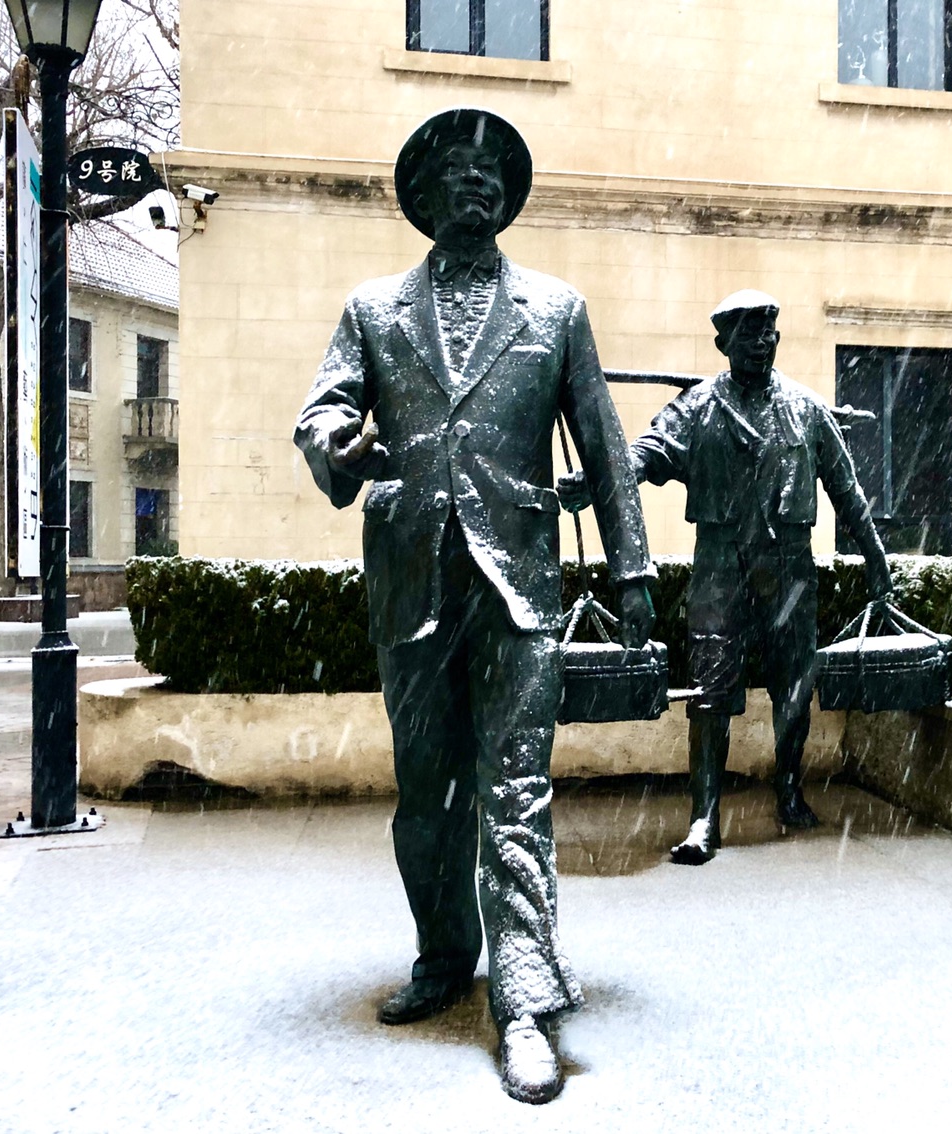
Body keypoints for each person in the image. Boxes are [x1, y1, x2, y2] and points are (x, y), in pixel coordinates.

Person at [294, 107, 655, 1105]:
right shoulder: (373, 310)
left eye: (492, 169)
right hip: (412, 583)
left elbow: (606, 450)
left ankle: (526, 1002)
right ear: (423, 193)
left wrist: (631, 574)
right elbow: (322, 410)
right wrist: (337, 446)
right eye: (456, 167)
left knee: (516, 791)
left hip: (518, 586)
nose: (476, 180)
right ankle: (445, 955)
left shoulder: (556, 310)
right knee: (426, 795)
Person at [560, 290, 892, 864]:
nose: (762, 342)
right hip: (719, 564)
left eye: (769, 332)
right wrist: (597, 480)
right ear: (723, 343)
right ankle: (704, 818)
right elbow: (645, 453)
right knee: (710, 692)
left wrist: (877, 561)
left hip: (790, 568)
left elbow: (848, 492)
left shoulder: (806, 409)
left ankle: (789, 789)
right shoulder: (698, 408)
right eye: (749, 333)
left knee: (795, 687)